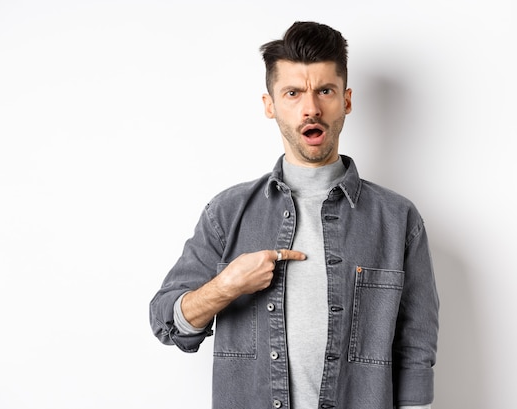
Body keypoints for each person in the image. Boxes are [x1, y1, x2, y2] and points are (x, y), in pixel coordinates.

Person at [149, 21, 439, 409]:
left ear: (346, 100)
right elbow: (168, 324)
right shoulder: (227, 213)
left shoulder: (398, 219)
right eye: (293, 93)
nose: (311, 108)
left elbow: (416, 346)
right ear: (270, 105)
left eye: (325, 91)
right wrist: (227, 284)